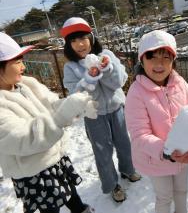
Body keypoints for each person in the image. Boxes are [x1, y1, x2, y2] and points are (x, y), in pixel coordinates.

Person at [0, 32, 97, 213]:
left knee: (70, 193)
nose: (23, 65)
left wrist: (76, 106)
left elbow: (53, 104)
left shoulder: (26, 84)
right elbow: (23, 137)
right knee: (50, 208)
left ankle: (80, 209)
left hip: (54, 157)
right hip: (33, 173)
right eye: (17, 61)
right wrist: (62, 115)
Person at [61, 17, 141, 203]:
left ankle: (128, 170)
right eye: (73, 41)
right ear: (68, 45)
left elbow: (119, 82)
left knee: (124, 143)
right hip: (94, 115)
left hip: (116, 108)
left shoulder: (107, 54)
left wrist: (107, 68)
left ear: (91, 38)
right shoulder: (70, 67)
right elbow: (75, 95)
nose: (80, 44)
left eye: (83, 38)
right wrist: (89, 78)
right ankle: (112, 185)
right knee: (102, 152)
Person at [124, 30, 188, 213]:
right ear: (142, 59)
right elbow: (140, 135)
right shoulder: (136, 92)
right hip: (155, 158)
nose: (159, 64)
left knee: (181, 190)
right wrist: (167, 151)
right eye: (152, 57)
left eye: (166, 57)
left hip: (182, 154)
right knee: (164, 197)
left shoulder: (180, 83)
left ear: (173, 60)